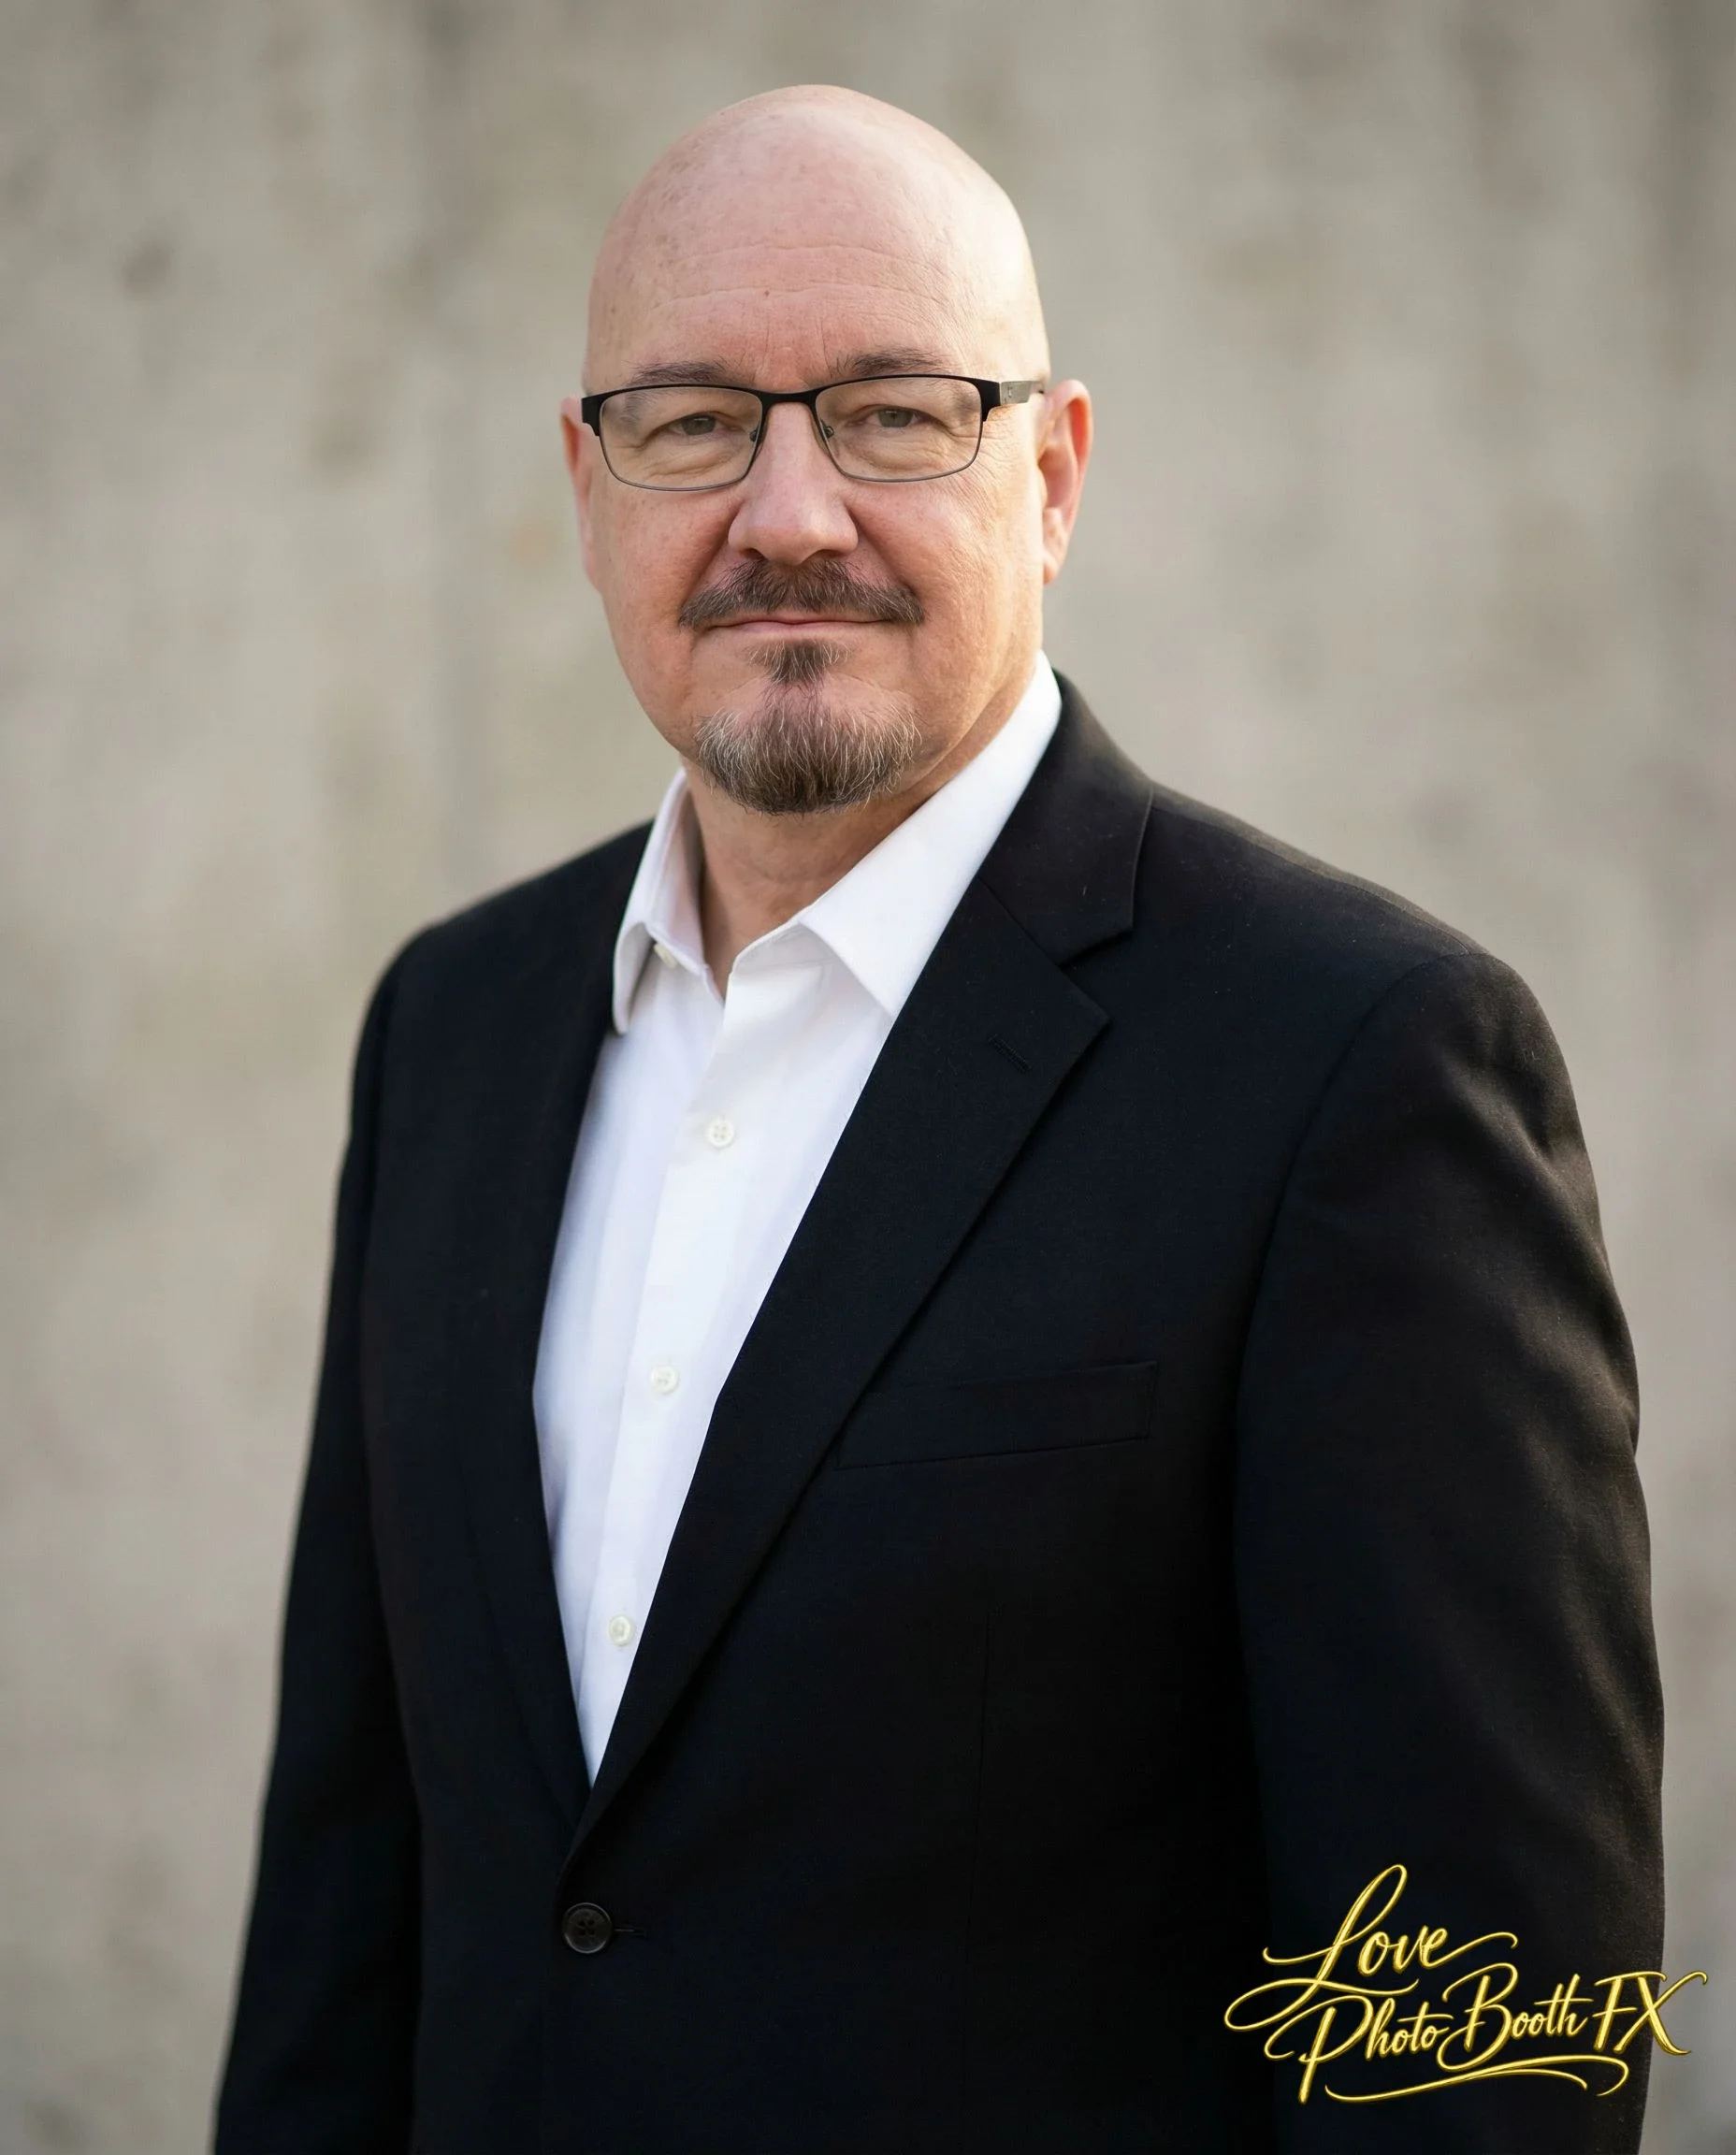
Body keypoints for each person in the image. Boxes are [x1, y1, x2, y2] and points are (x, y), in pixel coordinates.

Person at [213, 84, 1664, 2155]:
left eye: (895, 413)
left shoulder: (1360, 1066)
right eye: (694, 418)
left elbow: (1486, 2033)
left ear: (1053, 474)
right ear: (587, 477)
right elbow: (347, 1906)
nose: (786, 511)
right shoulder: (451, 1028)